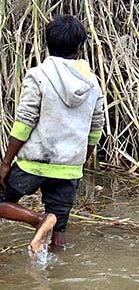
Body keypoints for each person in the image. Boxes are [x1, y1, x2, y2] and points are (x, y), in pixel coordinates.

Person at [0, 15, 105, 253]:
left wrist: (6, 162)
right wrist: (80, 161)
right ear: (80, 48)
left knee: (5, 203)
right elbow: (95, 130)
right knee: (59, 232)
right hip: (69, 167)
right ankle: (56, 277)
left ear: (47, 43)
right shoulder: (93, 83)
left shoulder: (38, 75)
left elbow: (24, 123)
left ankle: (37, 219)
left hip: (35, 162)